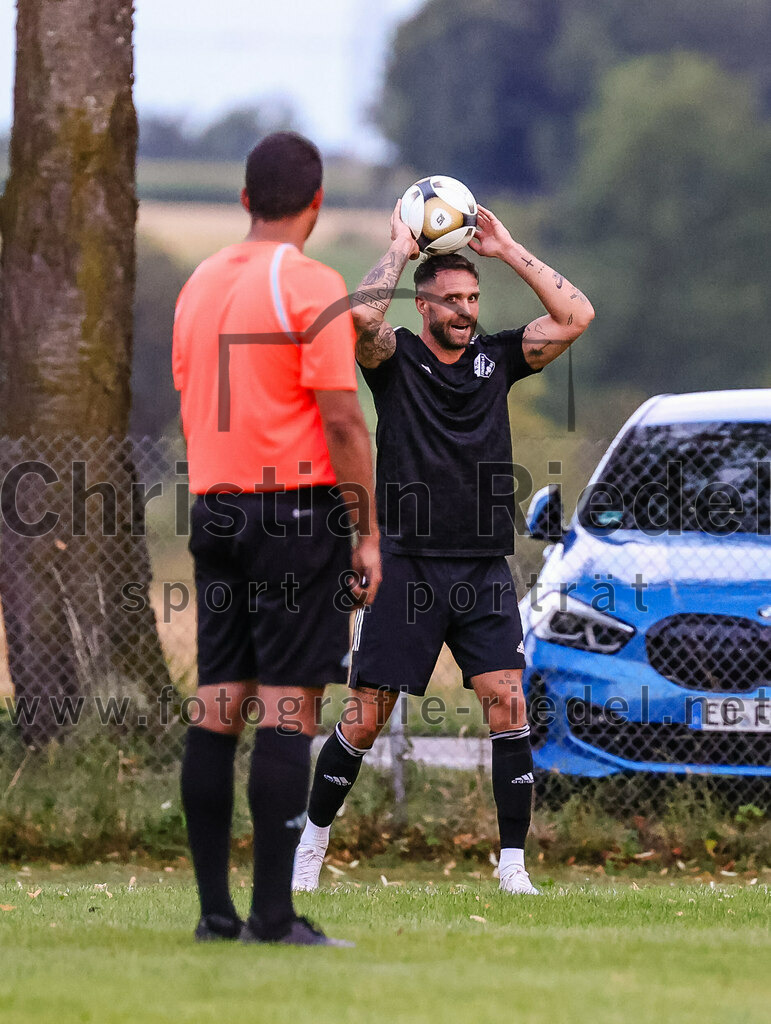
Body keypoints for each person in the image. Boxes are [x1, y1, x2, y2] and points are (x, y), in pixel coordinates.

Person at [292, 201, 594, 895]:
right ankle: (310, 846)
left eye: (472, 298)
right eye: (451, 300)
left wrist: (508, 250)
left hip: (482, 565)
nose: (464, 309)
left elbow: (576, 316)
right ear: (423, 306)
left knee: (508, 706)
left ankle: (512, 866)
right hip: (407, 563)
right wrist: (400, 249)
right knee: (365, 717)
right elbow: (359, 319)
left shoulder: (498, 358)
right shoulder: (394, 357)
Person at [172, 131, 381, 946]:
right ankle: (272, 915)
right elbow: (341, 420)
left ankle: (214, 915)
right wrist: (366, 532)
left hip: (213, 506)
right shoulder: (308, 284)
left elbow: (193, 395)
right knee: (290, 705)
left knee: (218, 700)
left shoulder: (198, 283)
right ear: (316, 203)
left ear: (243, 200)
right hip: (292, 512)